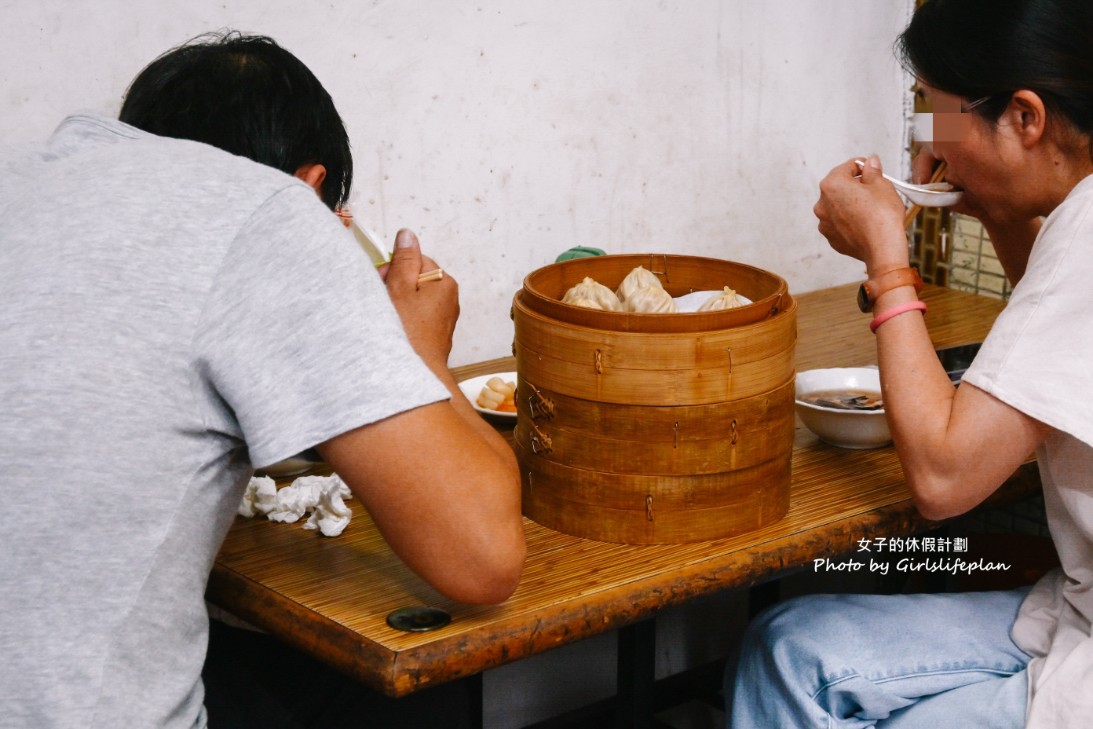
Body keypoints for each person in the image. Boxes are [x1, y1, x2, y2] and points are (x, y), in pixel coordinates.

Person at [0, 32, 525, 729]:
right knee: (418, 693)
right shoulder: (268, 209)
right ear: (310, 185)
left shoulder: (30, 177)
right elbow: (483, 561)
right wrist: (419, 352)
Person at [726, 1, 1093, 727]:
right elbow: (1050, 336)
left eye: (941, 119)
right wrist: (992, 203)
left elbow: (943, 478)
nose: (934, 146)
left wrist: (885, 260)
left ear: (1024, 118)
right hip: (1076, 601)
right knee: (789, 647)